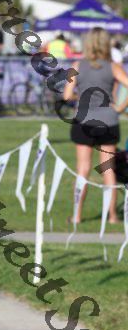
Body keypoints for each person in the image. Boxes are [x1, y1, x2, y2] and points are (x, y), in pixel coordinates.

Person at [64, 27, 128, 224]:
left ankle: (76, 216)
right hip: (108, 121)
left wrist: (80, 97)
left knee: (82, 169)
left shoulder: (77, 65)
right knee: (108, 170)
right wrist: (120, 108)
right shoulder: (113, 66)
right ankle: (113, 216)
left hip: (83, 121)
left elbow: (66, 95)